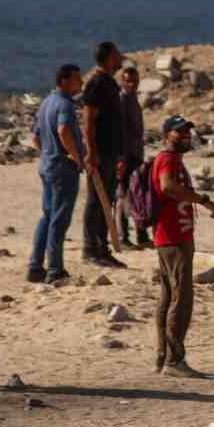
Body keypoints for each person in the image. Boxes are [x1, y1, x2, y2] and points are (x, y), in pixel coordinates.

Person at [151, 116, 214, 378]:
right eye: (179, 133)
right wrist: (205, 201)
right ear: (167, 135)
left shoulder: (174, 160)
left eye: (187, 133)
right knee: (181, 298)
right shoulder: (167, 159)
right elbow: (168, 186)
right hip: (172, 238)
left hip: (175, 236)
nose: (185, 137)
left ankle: (163, 356)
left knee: (170, 297)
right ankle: (174, 360)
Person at [27, 64, 85, 284]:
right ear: (63, 81)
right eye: (76, 79)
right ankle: (55, 269)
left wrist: (47, 153)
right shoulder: (64, 105)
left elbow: (35, 137)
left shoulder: (45, 103)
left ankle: (35, 266)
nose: (80, 83)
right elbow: (63, 130)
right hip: (62, 168)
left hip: (47, 165)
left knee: (48, 216)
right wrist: (76, 157)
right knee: (59, 219)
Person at [80, 42, 127, 269]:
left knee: (106, 200)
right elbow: (88, 118)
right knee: (96, 200)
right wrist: (91, 150)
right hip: (100, 153)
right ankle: (91, 248)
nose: (121, 58)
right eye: (117, 55)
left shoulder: (109, 83)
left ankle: (102, 247)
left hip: (111, 153)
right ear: (109, 57)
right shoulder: (96, 84)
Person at [117, 65, 151, 247]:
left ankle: (141, 234)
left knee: (139, 194)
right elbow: (120, 131)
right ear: (122, 81)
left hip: (136, 153)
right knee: (124, 195)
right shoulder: (122, 100)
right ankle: (123, 237)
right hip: (126, 155)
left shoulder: (133, 99)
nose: (133, 84)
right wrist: (121, 158)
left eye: (135, 81)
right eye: (129, 81)